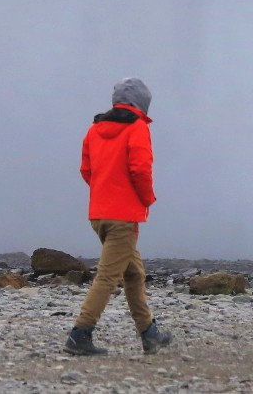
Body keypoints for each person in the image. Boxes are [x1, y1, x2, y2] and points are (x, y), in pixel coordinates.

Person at [65, 77, 174, 356]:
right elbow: (140, 169)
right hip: (123, 217)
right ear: (142, 104)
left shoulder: (94, 129)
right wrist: (146, 198)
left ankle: (150, 334)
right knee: (108, 276)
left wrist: (104, 192)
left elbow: (86, 170)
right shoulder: (137, 128)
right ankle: (80, 333)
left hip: (100, 215)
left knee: (134, 273)